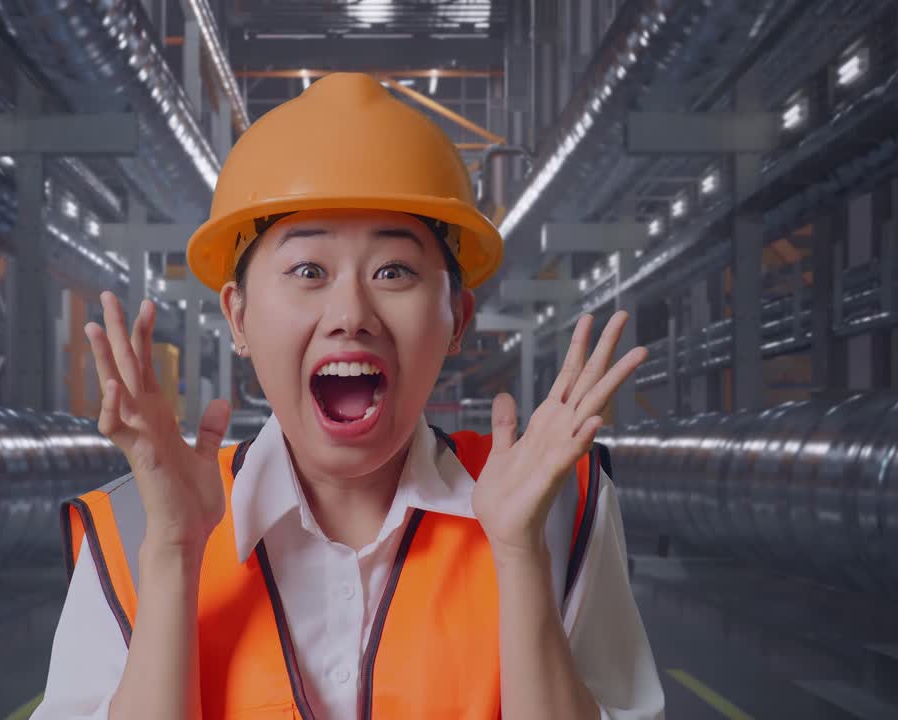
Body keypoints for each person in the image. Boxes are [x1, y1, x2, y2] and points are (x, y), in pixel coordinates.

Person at [32, 72, 664, 720]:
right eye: (308, 270)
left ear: (457, 317)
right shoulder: (138, 526)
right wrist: (172, 552)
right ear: (238, 316)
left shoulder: (555, 506)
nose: (351, 314)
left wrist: (521, 556)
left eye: (394, 271)